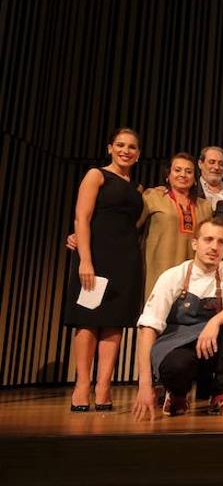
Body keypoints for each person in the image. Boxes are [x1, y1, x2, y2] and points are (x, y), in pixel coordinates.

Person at [131, 219, 223, 420]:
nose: (214, 247)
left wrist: (215, 322)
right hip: (178, 345)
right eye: (208, 239)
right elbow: (148, 328)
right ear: (195, 244)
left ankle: (222, 393)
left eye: (221, 242)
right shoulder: (173, 276)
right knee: (177, 366)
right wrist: (144, 386)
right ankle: (177, 394)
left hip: (211, 345)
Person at [64, 128, 143, 412]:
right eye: (120, 145)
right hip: (96, 255)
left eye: (132, 147)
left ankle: (104, 385)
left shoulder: (136, 187)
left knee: (114, 321)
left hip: (126, 258)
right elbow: (81, 218)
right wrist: (85, 259)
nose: (126, 150)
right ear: (109, 147)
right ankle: (82, 385)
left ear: (138, 153)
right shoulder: (96, 175)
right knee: (88, 319)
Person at [139, 154, 215, 298]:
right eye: (177, 170)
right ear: (168, 175)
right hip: (157, 269)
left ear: (194, 178)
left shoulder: (205, 206)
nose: (183, 175)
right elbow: (132, 228)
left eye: (188, 171)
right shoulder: (153, 196)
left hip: (193, 274)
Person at [197, 146, 223, 211]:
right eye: (212, 162)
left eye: (221, 164)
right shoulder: (190, 191)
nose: (216, 167)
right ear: (200, 164)